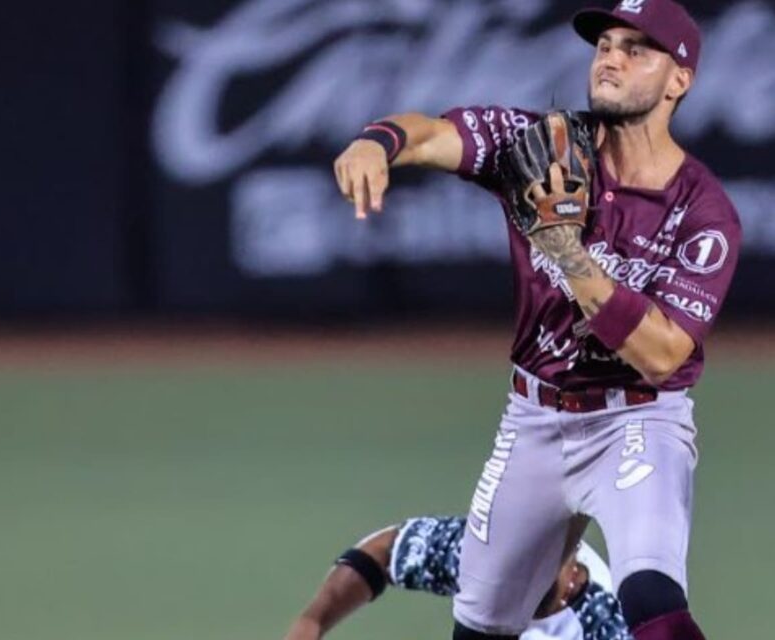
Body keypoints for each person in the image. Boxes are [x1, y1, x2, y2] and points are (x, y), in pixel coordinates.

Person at [332, 1, 739, 638]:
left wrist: (567, 253)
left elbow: (662, 355)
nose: (611, 56)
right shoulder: (540, 149)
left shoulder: (702, 210)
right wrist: (377, 141)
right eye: (605, 43)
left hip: (636, 418)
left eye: (638, 48)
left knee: (653, 602)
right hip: (534, 418)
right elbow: (433, 134)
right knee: (480, 627)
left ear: (678, 80)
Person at [284, 516, 631, 640]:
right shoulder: (484, 555)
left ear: (569, 566)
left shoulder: (609, 624)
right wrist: (310, 622)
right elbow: (383, 552)